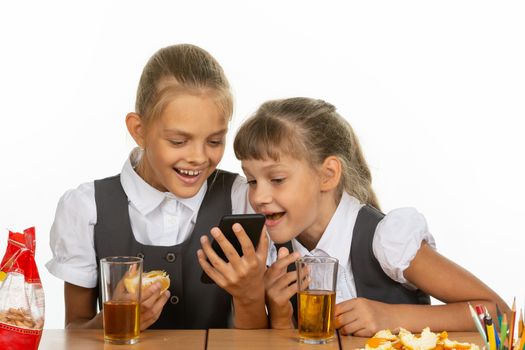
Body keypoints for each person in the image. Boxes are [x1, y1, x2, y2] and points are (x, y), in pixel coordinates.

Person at [232, 97, 510, 336]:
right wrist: (279, 315)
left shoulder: (387, 240)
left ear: (327, 175)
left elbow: (499, 315)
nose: (258, 197)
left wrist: (391, 318)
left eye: (277, 179)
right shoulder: (272, 252)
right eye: (252, 181)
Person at [46, 44, 267, 330]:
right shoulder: (88, 207)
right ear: (139, 130)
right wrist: (113, 319)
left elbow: (264, 337)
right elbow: (74, 331)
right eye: (178, 141)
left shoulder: (240, 197)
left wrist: (250, 293)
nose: (199, 157)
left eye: (214, 141)